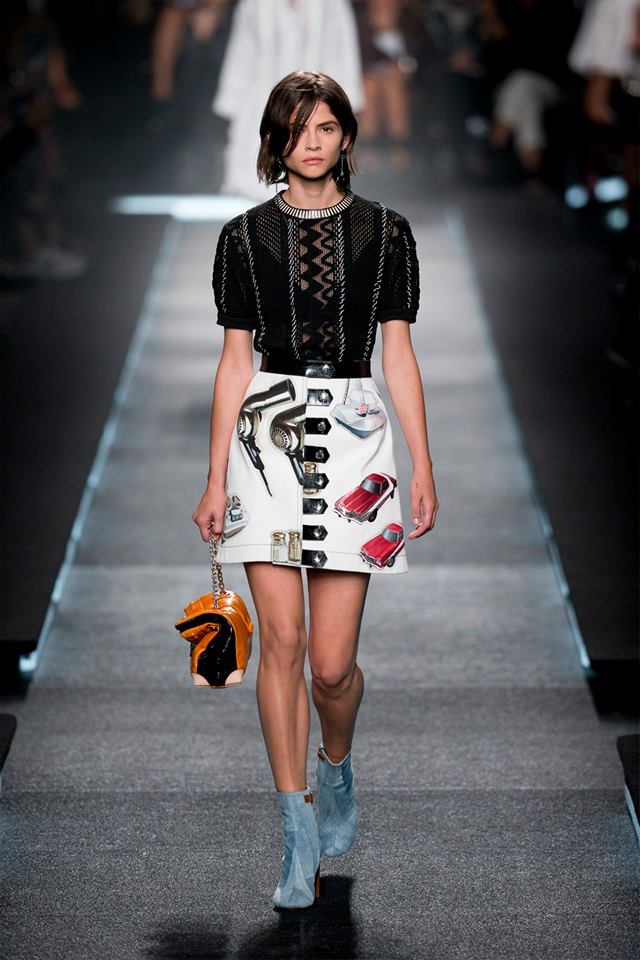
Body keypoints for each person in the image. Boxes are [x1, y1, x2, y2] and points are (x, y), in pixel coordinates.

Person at [192, 70, 438, 911]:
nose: (311, 141)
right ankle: (296, 831)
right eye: (297, 128)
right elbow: (234, 362)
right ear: (276, 139)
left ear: (346, 138)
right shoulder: (241, 237)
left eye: (326, 126)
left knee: (333, 668)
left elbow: (398, 353)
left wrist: (422, 464)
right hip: (267, 435)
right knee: (284, 644)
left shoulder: (389, 233)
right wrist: (215, 476)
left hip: (359, 435)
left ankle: (335, 766)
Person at [210, 0, 363, 200]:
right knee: (255, 185)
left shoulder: (333, 5)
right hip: (260, 106)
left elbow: (344, 55)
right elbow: (241, 55)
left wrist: (345, 106)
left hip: (315, 104)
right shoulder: (253, 4)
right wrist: (232, 104)